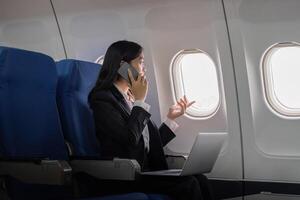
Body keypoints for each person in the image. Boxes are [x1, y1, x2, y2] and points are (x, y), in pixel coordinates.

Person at [88, 40, 214, 200]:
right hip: (126, 174)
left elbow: (146, 143)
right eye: (140, 62)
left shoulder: (129, 97)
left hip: (146, 171)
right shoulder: (102, 99)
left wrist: (170, 119)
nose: (144, 68)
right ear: (123, 66)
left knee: (200, 178)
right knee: (188, 184)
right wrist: (140, 101)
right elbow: (129, 140)